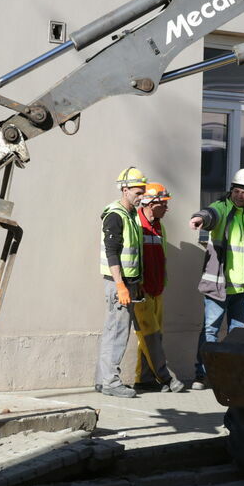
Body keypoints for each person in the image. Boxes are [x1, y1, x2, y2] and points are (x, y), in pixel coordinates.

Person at [188, 168, 244, 389]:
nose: (238, 195)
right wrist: (199, 219)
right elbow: (210, 214)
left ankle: (231, 375)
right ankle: (203, 375)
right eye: (235, 191)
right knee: (210, 330)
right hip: (220, 286)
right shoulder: (223, 208)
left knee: (238, 333)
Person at [95, 166, 148, 398]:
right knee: (117, 332)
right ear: (124, 189)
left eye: (143, 191)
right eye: (138, 192)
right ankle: (111, 382)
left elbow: (134, 253)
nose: (141, 196)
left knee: (112, 330)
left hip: (128, 282)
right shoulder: (116, 215)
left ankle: (102, 380)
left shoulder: (131, 215)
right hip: (119, 283)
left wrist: (137, 282)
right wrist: (120, 285)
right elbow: (112, 252)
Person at [133, 183, 185, 393]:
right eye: (163, 204)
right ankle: (165, 378)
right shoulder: (136, 222)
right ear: (150, 203)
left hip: (156, 289)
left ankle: (144, 379)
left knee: (152, 336)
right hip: (141, 290)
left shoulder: (159, 226)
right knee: (150, 336)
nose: (166, 208)